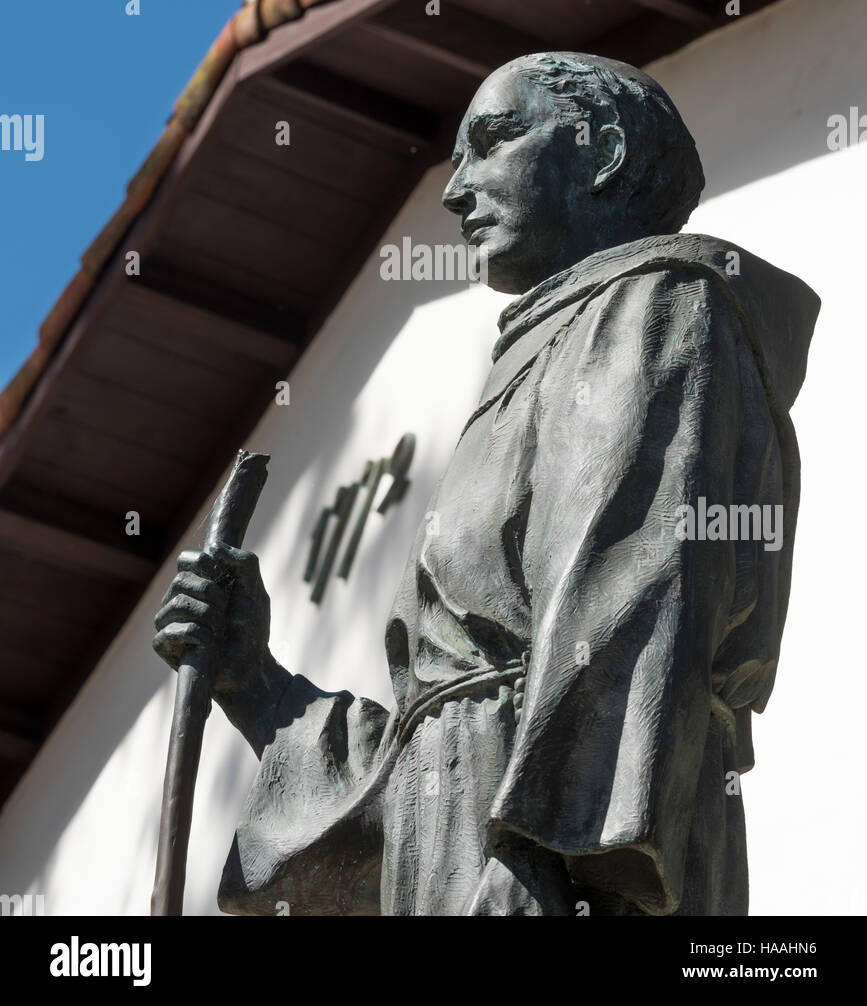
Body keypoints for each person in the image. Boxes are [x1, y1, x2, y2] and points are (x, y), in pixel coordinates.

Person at [154, 52, 819, 916]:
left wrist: (541, 857)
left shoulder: (653, 307)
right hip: (475, 853)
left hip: (565, 869)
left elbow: (627, 605)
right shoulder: (547, 347)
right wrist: (256, 685)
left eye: (495, 141)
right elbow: (437, 744)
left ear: (603, 151)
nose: (453, 189)